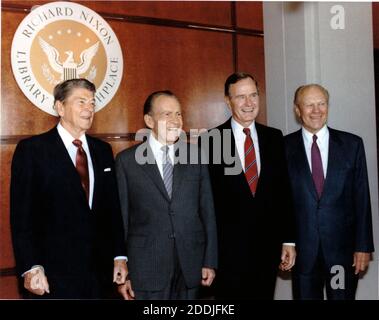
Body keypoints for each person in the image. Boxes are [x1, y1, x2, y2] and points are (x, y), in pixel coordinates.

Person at [10, 78, 128, 299]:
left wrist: (119, 256)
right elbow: (21, 218)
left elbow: (112, 210)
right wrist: (30, 266)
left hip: (100, 276)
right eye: (81, 101)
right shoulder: (32, 151)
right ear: (60, 107)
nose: (89, 108)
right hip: (52, 277)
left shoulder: (103, 150)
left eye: (92, 103)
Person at [201, 72, 296, 299]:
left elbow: (284, 193)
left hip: (267, 249)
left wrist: (288, 240)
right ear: (228, 100)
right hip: (227, 253)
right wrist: (208, 255)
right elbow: (205, 203)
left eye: (253, 95)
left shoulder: (274, 138)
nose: (249, 103)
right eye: (241, 97)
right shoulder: (211, 140)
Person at [115, 90, 218, 300]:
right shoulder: (127, 161)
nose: (176, 121)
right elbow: (122, 219)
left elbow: (207, 211)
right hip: (146, 268)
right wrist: (125, 269)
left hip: (190, 264)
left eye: (178, 114)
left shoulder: (195, 155)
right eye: (167, 114)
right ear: (149, 120)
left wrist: (209, 260)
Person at [284, 84, 374, 300]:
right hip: (303, 255)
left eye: (321, 103)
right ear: (298, 110)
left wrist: (363, 246)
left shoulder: (352, 145)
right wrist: (286, 242)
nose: (316, 110)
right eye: (309, 105)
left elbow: (362, 199)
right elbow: (281, 202)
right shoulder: (283, 148)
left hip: (341, 255)